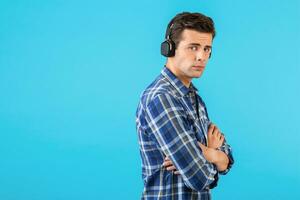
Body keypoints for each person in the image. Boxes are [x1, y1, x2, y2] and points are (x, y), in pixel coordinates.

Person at [135, 12, 234, 199]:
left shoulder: (193, 97)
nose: (201, 57)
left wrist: (210, 154)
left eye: (207, 49)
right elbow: (199, 178)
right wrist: (212, 156)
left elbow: (227, 157)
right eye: (193, 47)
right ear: (169, 49)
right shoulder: (161, 99)